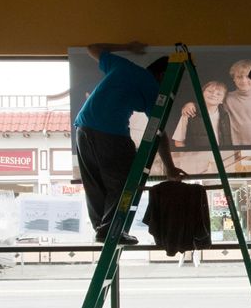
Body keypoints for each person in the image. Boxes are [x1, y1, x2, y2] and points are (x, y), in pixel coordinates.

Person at [73, 40, 182, 245]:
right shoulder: (151, 86)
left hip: (83, 129)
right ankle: (110, 230)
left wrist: (127, 47)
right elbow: (159, 131)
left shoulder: (123, 65)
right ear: (161, 76)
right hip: (110, 133)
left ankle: (102, 229)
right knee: (125, 182)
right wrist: (170, 167)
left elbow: (91, 48)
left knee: (95, 184)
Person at [169, 81, 229, 175]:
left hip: (218, 162)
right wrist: (191, 158)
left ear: (222, 100)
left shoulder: (225, 116)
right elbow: (178, 141)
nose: (213, 94)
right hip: (194, 163)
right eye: (210, 91)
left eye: (218, 94)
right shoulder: (189, 113)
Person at [222, 59, 251, 147]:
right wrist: (193, 105)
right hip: (234, 148)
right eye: (239, 77)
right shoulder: (226, 98)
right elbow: (208, 106)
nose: (244, 81)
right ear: (234, 79)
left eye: (248, 77)